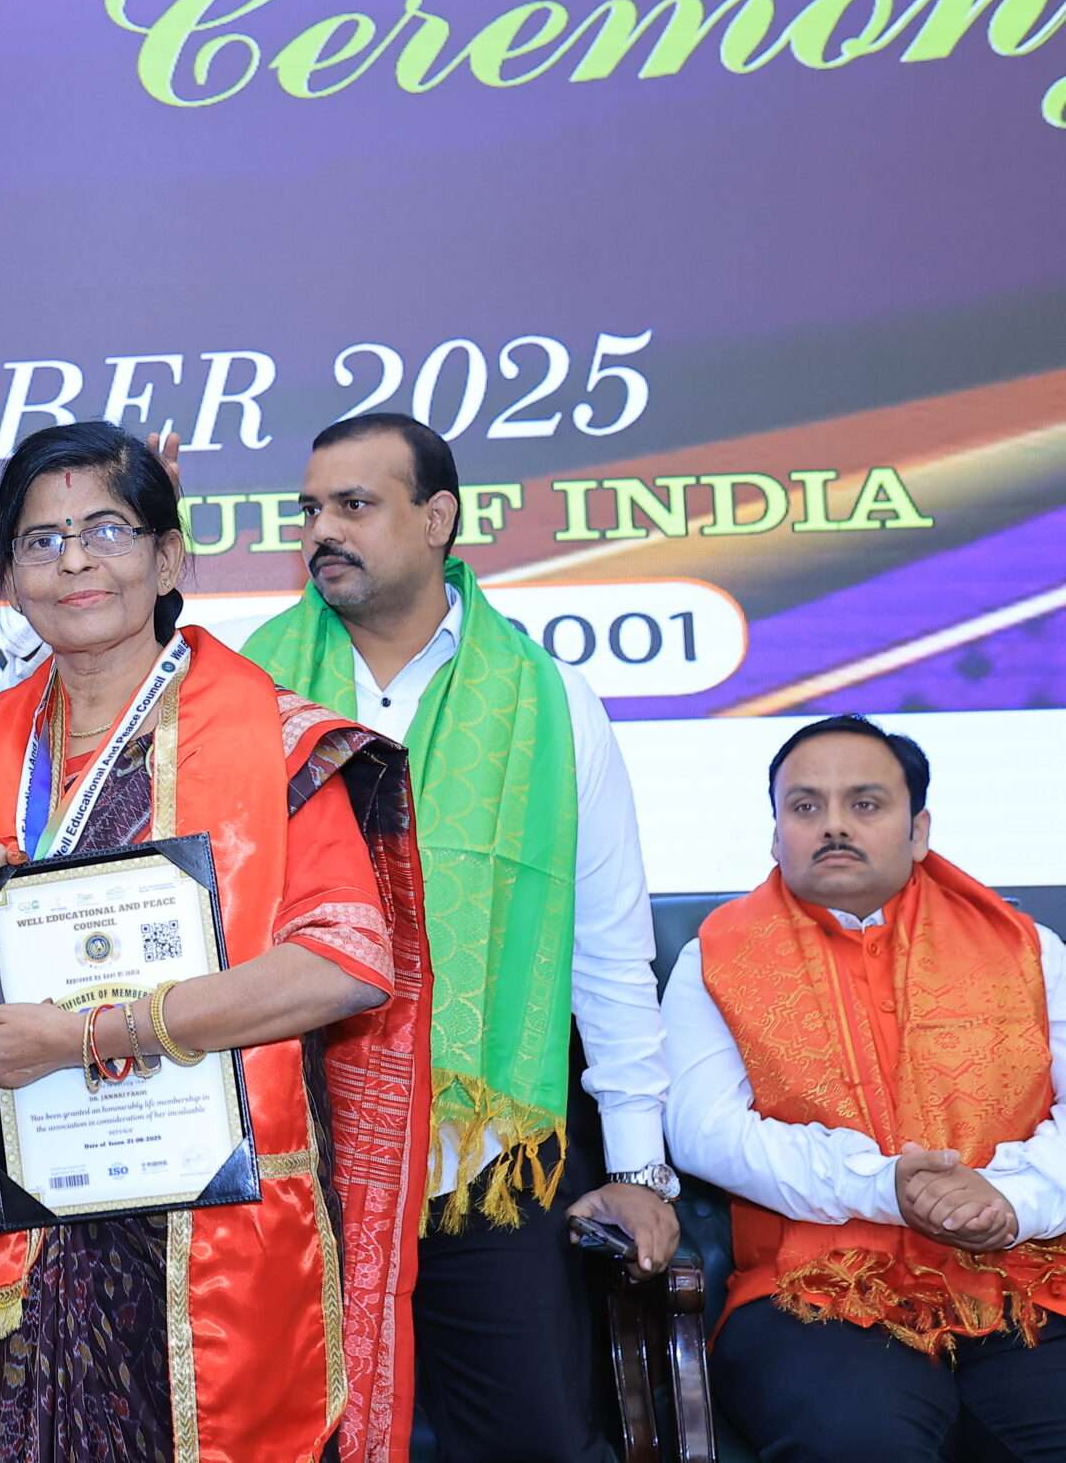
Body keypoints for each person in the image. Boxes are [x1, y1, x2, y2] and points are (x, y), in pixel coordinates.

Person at [0, 420, 434, 1463]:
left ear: (168, 557)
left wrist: (90, 1034)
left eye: (106, 530)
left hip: (215, 1221)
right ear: (10, 577)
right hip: (38, 1223)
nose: (74, 561)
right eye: (41, 541)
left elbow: (345, 962)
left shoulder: (275, 736)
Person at [242, 412, 674, 1461]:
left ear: (437, 518)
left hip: (479, 1152)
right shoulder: (247, 691)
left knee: (531, 1440)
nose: (321, 531)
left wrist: (639, 1169)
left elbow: (607, 949)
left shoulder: (549, 700)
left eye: (354, 505)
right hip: (291, 1155)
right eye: (309, 510)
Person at [663, 716, 1066, 1462]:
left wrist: (1014, 1198)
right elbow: (705, 1132)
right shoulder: (713, 959)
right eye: (805, 806)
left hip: (1023, 1279)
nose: (834, 825)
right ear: (775, 833)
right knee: (862, 1438)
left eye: (866, 803)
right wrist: (884, 1187)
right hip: (812, 1295)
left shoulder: (1026, 949)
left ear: (919, 830)